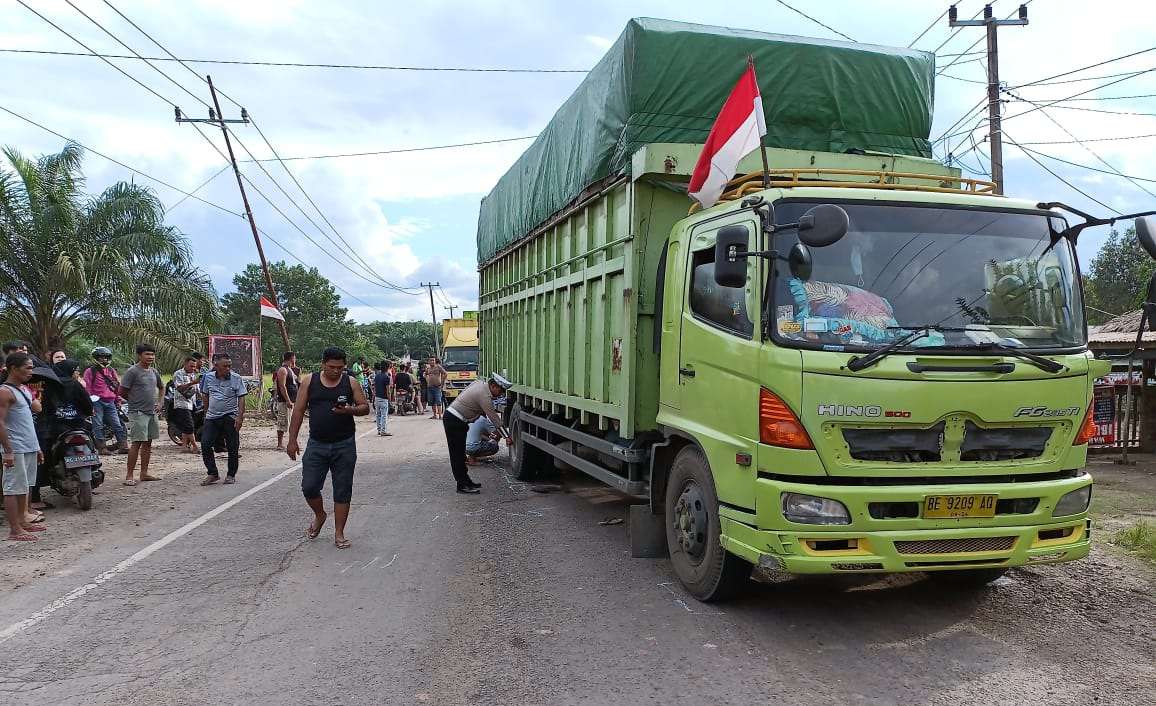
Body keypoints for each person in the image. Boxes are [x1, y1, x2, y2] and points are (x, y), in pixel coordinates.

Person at [286, 346, 369, 549]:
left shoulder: (351, 382)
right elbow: (297, 411)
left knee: (343, 489)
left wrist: (350, 410)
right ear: (323, 364)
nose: (336, 371)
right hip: (317, 444)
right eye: (332, 367)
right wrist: (292, 439)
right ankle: (320, 514)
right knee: (309, 486)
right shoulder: (309, 382)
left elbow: (364, 406)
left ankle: (339, 532)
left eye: (340, 367)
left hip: (344, 444)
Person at [1, 353, 46, 542]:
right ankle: (14, 529)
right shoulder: (4, 391)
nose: (31, 371)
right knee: (12, 488)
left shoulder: (24, 389)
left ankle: (23, 521)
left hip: (28, 445)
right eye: (27, 368)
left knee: (25, 486)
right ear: (13, 368)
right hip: (16, 446)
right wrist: (8, 451)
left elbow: (34, 412)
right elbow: (0, 423)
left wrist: (36, 447)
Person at [443, 374, 512, 494]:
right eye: (500, 391)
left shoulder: (479, 384)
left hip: (457, 419)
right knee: (457, 455)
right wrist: (507, 436)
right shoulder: (484, 396)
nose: (500, 394)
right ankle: (462, 485)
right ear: (493, 386)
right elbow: (495, 418)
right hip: (455, 420)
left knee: (461, 454)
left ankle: (466, 481)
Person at [118, 343, 165, 486]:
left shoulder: (154, 371)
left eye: (152, 354)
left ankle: (144, 473)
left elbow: (161, 387)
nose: (150, 357)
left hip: (151, 413)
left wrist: (160, 403)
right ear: (139, 355)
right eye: (147, 354)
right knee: (136, 443)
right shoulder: (132, 371)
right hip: (137, 413)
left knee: (148, 444)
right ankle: (129, 475)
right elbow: (122, 391)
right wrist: (134, 401)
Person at [198, 353, 248, 486]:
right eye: (225, 366)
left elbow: (241, 398)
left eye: (229, 366)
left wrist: (240, 417)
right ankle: (212, 473)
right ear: (216, 366)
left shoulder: (236, 378)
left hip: (230, 416)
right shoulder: (208, 377)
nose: (228, 368)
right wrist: (206, 412)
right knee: (206, 444)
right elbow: (205, 394)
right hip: (212, 417)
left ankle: (231, 474)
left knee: (232, 447)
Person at [84, 347, 128, 455]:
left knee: (117, 424)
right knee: (98, 424)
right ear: (96, 358)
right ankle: (102, 448)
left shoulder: (111, 371)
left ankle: (123, 445)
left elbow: (116, 386)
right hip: (97, 401)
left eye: (106, 358)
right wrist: (89, 403)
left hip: (110, 401)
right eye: (101, 358)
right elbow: (87, 388)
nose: (104, 360)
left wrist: (118, 399)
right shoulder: (90, 371)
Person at [171, 356, 200, 454]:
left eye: (194, 367)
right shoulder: (178, 374)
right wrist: (192, 383)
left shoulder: (193, 374)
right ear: (185, 364)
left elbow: (197, 389)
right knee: (189, 426)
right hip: (182, 403)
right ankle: (195, 446)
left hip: (192, 403)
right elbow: (179, 388)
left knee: (186, 426)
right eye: (191, 366)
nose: (192, 368)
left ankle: (184, 446)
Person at [274, 351, 299, 451]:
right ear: (291, 358)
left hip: (293, 400)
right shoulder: (282, 370)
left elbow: (297, 381)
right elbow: (282, 386)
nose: (295, 360)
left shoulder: (290, 370)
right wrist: (288, 400)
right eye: (294, 358)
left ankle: (292, 442)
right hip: (285, 401)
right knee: (283, 422)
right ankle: (279, 444)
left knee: (292, 423)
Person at [373, 361, 392, 436]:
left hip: (377, 397)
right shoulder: (386, 377)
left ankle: (379, 429)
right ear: (387, 368)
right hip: (383, 398)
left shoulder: (377, 376)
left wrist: (374, 396)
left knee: (378, 414)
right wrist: (389, 400)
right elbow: (388, 390)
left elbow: (375, 387)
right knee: (384, 415)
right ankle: (383, 430)